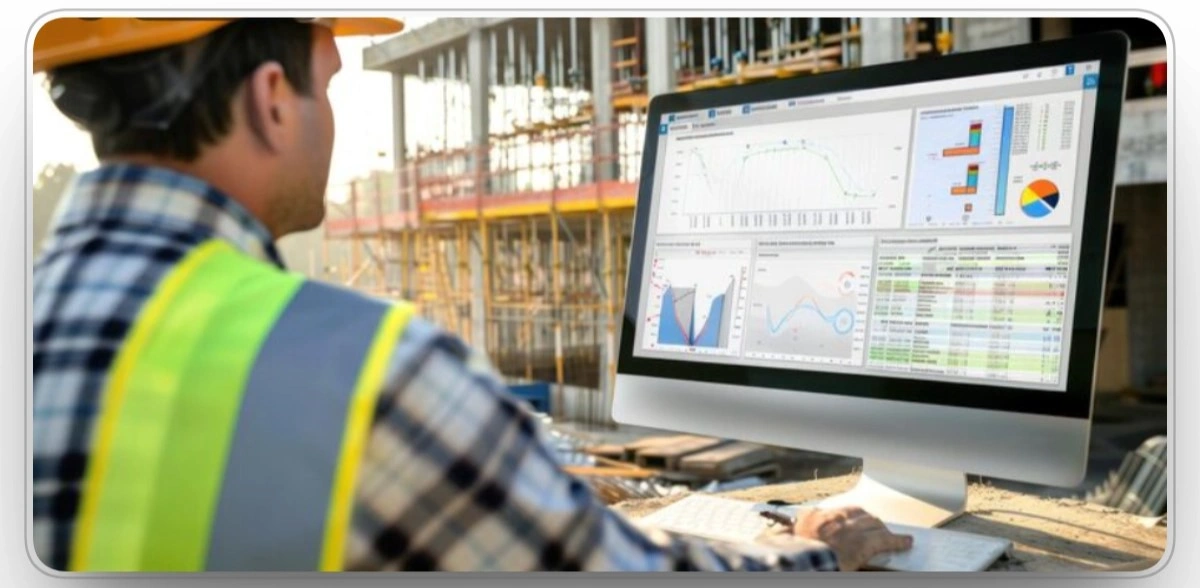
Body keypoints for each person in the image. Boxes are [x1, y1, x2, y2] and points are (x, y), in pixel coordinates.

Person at [31, 17, 912, 572]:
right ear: (272, 99)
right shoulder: (360, 367)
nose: (334, 119)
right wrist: (807, 555)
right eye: (331, 86)